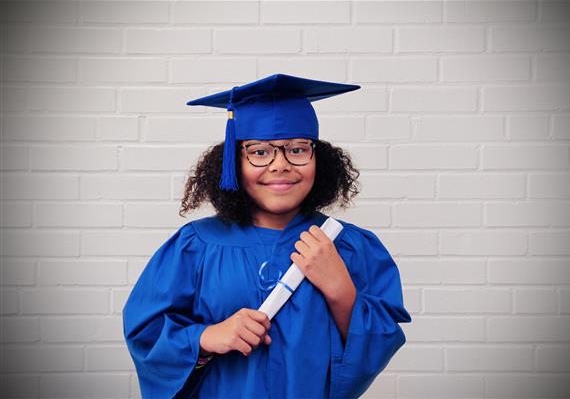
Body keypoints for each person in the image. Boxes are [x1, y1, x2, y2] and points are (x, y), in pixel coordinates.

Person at [122, 74, 412, 399]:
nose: (280, 165)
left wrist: (341, 291)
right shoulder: (196, 246)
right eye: (259, 152)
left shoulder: (349, 247)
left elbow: (381, 342)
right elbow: (145, 332)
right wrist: (205, 338)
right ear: (233, 162)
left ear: (319, 158)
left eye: (298, 149)